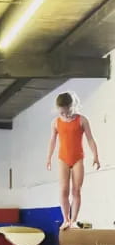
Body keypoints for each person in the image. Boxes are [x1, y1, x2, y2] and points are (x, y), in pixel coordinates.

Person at [46, 92, 100, 230]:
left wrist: (96, 156)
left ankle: (74, 221)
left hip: (77, 159)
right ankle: (66, 219)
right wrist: (48, 158)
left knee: (76, 190)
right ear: (58, 109)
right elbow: (52, 141)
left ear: (73, 106)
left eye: (68, 111)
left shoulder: (82, 120)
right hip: (63, 159)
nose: (65, 115)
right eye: (62, 112)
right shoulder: (56, 123)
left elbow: (90, 139)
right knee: (63, 190)